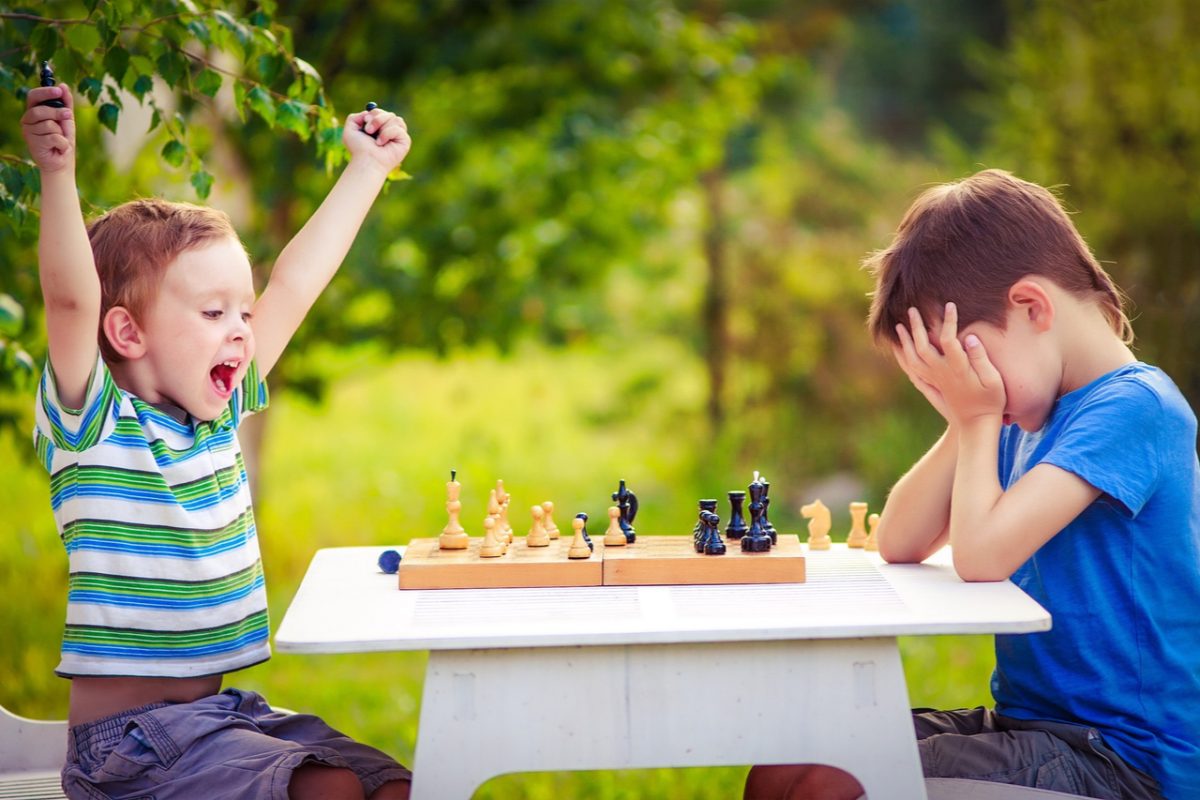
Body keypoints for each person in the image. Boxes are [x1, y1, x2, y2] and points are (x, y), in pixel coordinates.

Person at [744, 169, 1200, 800]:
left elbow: (981, 558)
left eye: (968, 358)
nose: (965, 386)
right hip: (1037, 731)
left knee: (830, 785)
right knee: (787, 766)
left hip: (1124, 761)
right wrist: (969, 418)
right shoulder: (1027, 407)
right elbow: (900, 542)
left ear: (1033, 307)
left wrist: (981, 415)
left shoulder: (1135, 408)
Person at [22, 78, 414, 799]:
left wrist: (367, 169)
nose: (242, 327)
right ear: (127, 332)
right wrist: (57, 175)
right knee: (331, 792)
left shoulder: (217, 414)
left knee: (392, 785)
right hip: (129, 753)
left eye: (242, 309)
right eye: (212, 311)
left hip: (220, 718)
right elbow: (71, 299)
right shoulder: (96, 424)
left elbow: (295, 283)